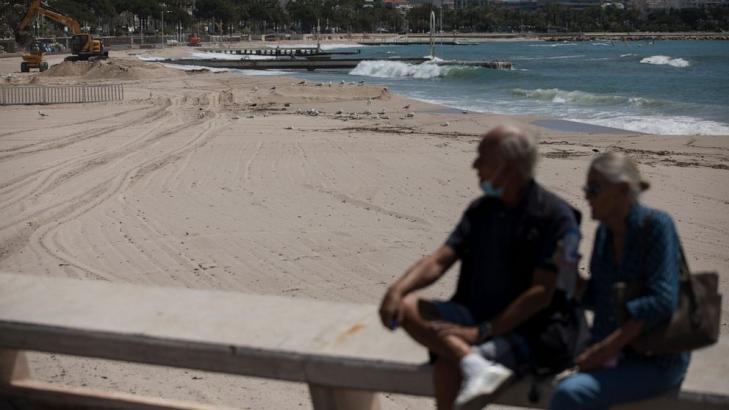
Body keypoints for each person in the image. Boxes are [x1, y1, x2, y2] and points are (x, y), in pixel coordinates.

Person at [378, 125, 580, 410]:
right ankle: (471, 361)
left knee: (448, 363)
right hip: (475, 315)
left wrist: (481, 332)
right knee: (409, 308)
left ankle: (468, 359)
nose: (474, 165)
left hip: (531, 329)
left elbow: (541, 294)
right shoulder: (483, 210)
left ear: (507, 166)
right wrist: (397, 290)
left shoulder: (554, 217)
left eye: (482, 157)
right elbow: (440, 259)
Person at [550, 152, 690, 409]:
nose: (587, 197)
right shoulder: (605, 232)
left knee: (569, 394)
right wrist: (570, 274)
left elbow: (662, 300)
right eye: (586, 189)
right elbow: (597, 298)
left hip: (654, 357)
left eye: (594, 189)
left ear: (623, 190)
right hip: (613, 351)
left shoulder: (657, 226)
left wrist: (605, 350)